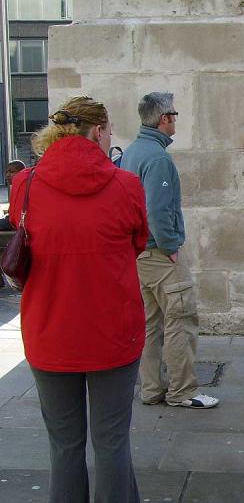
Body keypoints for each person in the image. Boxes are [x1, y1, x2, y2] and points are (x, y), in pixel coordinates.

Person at [9, 96, 148, 502]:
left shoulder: (25, 184)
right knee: (112, 442)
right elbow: (138, 242)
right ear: (99, 132)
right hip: (113, 331)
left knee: (65, 446)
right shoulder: (126, 185)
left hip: (49, 329)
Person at [121, 92, 218, 409]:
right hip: (160, 255)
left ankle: (151, 389)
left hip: (140, 254)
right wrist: (170, 246)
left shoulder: (132, 152)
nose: (176, 119)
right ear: (164, 119)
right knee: (181, 320)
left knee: (151, 325)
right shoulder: (158, 158)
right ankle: (183, 391)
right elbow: (158, 210)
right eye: (174, 114)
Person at [0, 160, 26, 230]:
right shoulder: (15, 188)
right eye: (6, 172)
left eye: (11, 172)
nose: (7, 175)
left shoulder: (24, 188)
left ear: (22, 172)